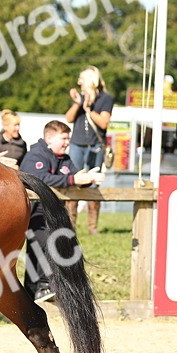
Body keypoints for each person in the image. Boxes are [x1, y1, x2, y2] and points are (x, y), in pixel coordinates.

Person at [20, 120, 104, 302]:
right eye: (63, 138)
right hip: (35, 211)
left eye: (68, 138)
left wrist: (88, 179)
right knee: (44, 245)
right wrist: (73, 180)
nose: (67, 143)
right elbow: (40, 178)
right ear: (49, 138)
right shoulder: (36, 155)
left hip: (55, 212)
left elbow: (75, 176)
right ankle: (43, 286)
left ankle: (35, 293)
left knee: (60, 246)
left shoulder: (64, 159)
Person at [63, 65, 113, 235]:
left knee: (94, 183)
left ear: (91, 81)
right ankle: (71, 226)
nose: (79, 83)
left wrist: (89, 110)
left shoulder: (105, 99)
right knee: (74, 180)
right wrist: (78, 103)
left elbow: (104, 123)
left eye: (82, 80)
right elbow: (69, 118)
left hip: (95, 146)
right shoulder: (80, 97)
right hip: (77, 144)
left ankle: (92, 228)